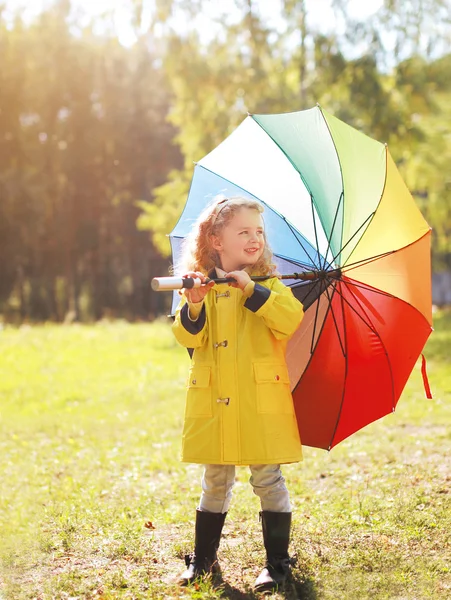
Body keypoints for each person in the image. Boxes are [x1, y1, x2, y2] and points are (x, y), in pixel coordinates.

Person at [170, 195, 304, 592]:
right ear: (216, 240)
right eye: (243, 231)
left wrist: (251, 291)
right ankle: (204, 560)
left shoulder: (271, 285)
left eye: (259, 232)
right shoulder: (200, 287)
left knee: (267, 478)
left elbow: (288, 320)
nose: (254, 238)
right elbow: (187, 336)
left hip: (259, 401)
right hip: (215, 399)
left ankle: (277, 563)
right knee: (215, 478)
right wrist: (194, 305)